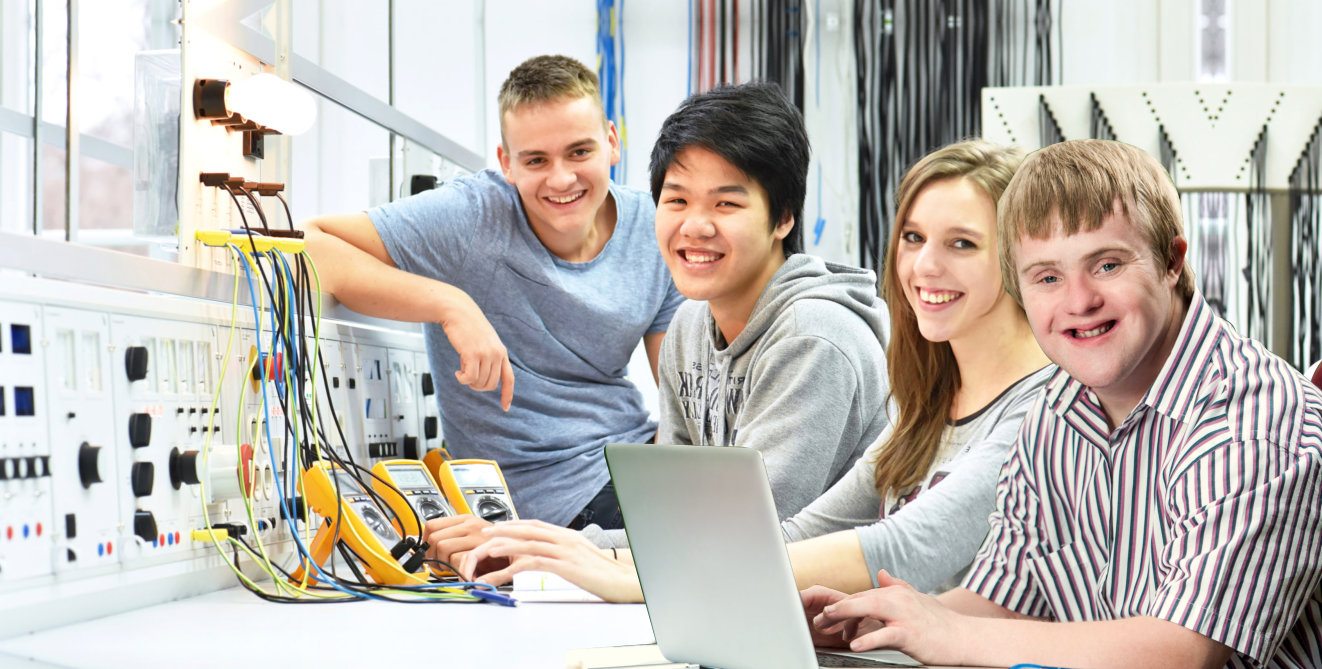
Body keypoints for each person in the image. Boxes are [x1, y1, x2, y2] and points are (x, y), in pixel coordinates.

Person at [462, 139, 1056, 602]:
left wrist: (642, 579)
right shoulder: (924, 412)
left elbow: (902, 547)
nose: (925, 266)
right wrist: (565, 551)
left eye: (962, 244)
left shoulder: (1044, 410)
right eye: (913, 237)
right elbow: (799, 534)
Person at [810, 139, 1322, 668]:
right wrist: (885, 625)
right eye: (1048, 277)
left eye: (1106, 266)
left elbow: (1180, 653)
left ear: (1172, 261)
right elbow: (1007, 605)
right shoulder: (1057, 411)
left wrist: (944, 632)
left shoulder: (1254, 418)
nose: (1079, 301)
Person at [301, 55, 684, 528]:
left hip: (636, 458)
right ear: (507, 163)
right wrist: (450, 303)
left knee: (764, 505)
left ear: (611, 142)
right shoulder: (473, 217)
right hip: (549, 497)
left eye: (579, 152)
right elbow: (308, 244)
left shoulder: (654, 228)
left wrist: (689, 475)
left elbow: (682, 402)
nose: (561, 178)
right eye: (536, 160)